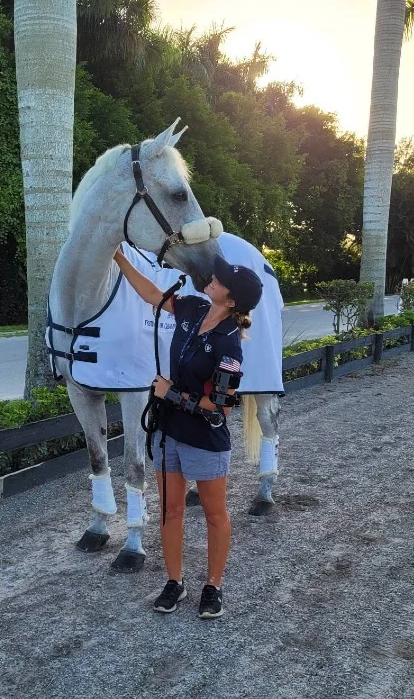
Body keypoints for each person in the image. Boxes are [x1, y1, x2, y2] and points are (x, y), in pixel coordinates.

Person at [113, 247, 263, 619]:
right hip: (169, 432)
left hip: (204, 439)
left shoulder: (229, 343)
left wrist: (172, 393)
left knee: (215, 514)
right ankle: (175, 582)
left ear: (230, 299)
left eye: (221, 278)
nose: (213, 277)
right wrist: (117, 257)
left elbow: (223, 408)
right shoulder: (193, 308)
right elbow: (150, 293)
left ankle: (213, 586)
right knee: (170, 511)